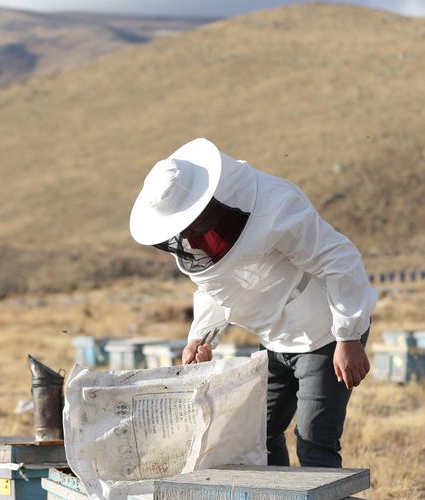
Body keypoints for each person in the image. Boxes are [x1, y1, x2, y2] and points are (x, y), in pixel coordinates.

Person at [128, 138, 378, 468]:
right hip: (274, 341)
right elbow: (214, 286)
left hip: (326, 333)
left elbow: (338, 258)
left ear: (207, 202)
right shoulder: (199, 236)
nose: (186, 233)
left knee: (315, 443)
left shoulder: (275, 206)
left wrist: (348, 337)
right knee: (256, 435)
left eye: (188, 222)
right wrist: (200, 338)